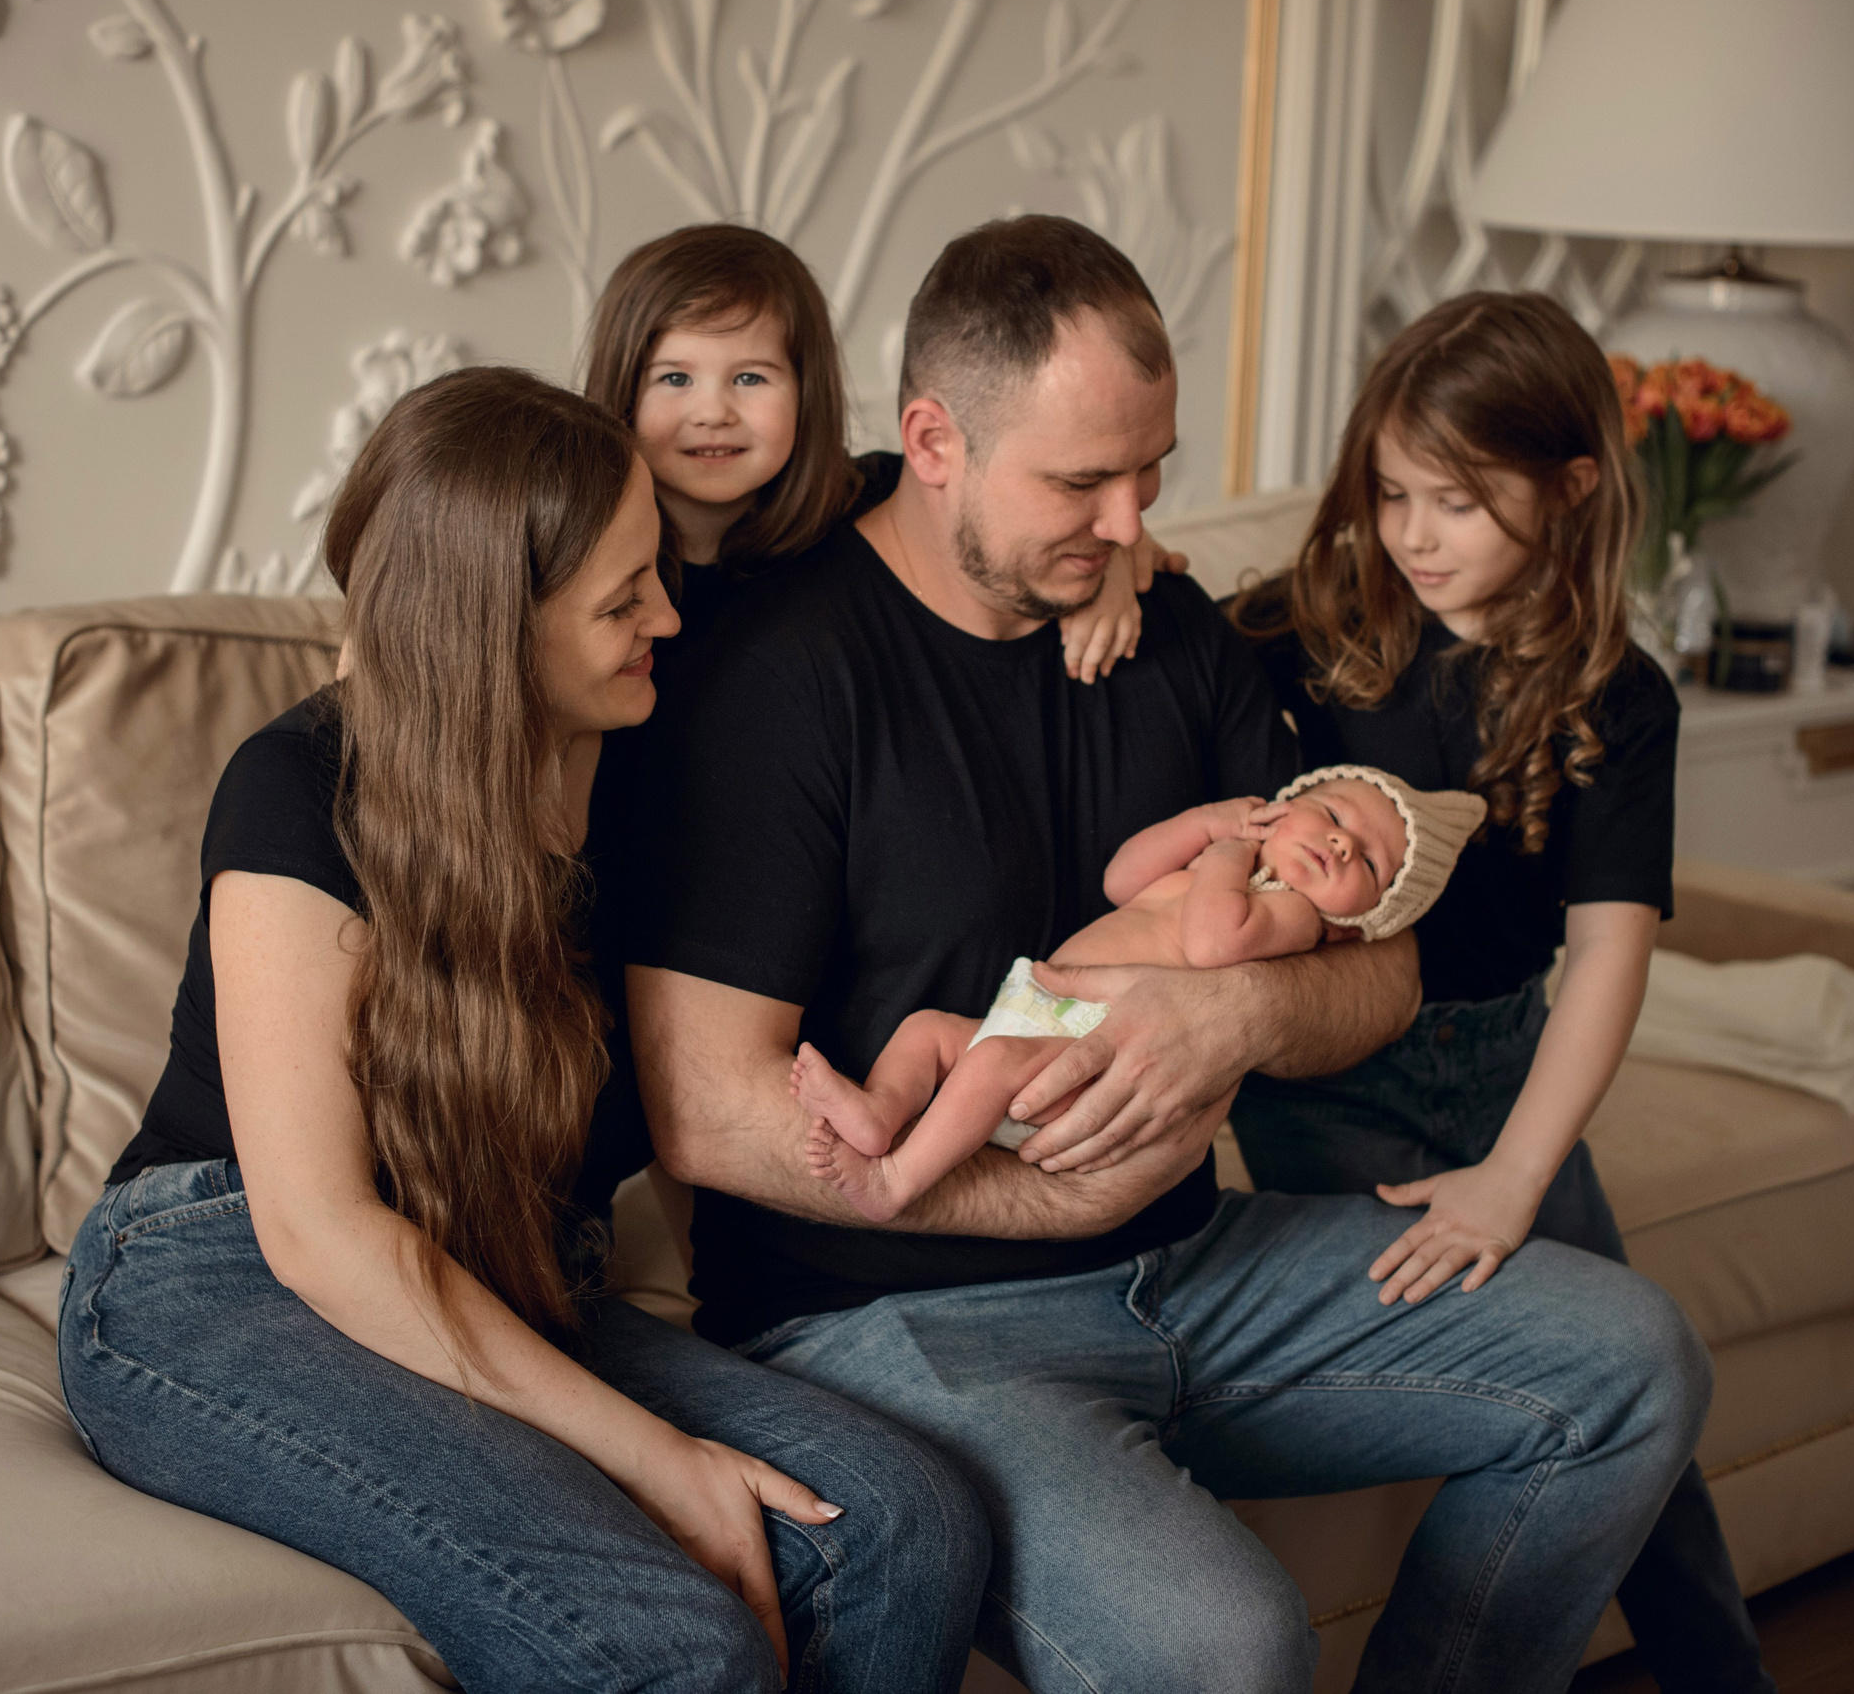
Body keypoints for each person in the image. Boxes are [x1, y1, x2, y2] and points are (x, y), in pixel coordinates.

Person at [617, 216, 1710, 1694]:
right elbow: (702, 1105)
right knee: (1228, 1646)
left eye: (1153, 473)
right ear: (931, 440)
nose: (1130, 521)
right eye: (1081, 481)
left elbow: (1381, 965)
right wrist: (1060, 1184)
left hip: (1197, 1266)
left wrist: (1241, 1017)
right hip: (895, 1319)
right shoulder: (776, 676)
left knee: (1634, 1363)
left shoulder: (1176, 631)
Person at [55, 366, 989, 1694]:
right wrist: (663, 1463)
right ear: (490, 628)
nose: (665, 609)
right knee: (674, 1647)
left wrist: (1114, 556)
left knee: (904, 1526)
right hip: (224, 1269)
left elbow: (877, 508)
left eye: (658, 568)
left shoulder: (653, 736)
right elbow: (320, 1233)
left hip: (498, 1257)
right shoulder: (302, 790)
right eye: (622, 598)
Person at [1227, 290, 1776, 1694]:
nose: (1413, 535)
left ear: (1572, 486)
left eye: (1457, 503)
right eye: (1394, 494)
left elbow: (1607, 946)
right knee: (1510, 1363)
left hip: (1506, 1071)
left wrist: (1519, 1174)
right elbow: (1161, 649)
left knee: (1648, 1406)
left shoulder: (1617, 693)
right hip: (1333, 1087)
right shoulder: (1317, 628)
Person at [794, 767, 1486, 1221]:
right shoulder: (1224, 860)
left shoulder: (1296, 915)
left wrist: (1224, 857)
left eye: (1367, 861)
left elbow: (1218, 944)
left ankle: (893, 1183)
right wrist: (1206, 825)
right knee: (927, 1029)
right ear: (1285, 804)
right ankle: (880, 1114)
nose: (1339, 841)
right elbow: (1123, 879)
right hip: (1041, 1015)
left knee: (990, 1061)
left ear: (1358, 922)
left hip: (1092, 1053)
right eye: (1332, 811)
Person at [580, 220, 1173, 682]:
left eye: (751, 378)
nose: (713, 413)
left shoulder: (866, 500)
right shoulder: (584, 552)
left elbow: (1013, 523)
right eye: (675, 380)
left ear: (807, 391)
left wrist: (1113, 568)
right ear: (623, 390)